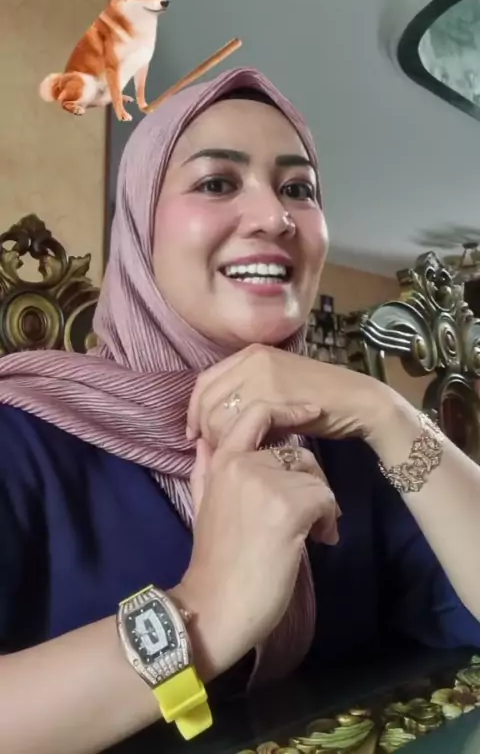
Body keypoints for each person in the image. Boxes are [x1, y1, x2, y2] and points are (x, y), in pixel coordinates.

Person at [0, 66, 480, 754]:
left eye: (299, 190)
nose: (274, 216)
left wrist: (386, 411)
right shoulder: (23, 439)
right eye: (217, 183)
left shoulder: (348, 446)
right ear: (139, 229)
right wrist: (206, 609)